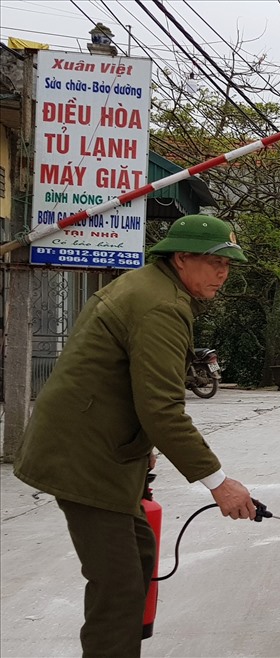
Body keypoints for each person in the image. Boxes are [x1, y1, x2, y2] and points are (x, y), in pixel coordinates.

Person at [13, 214, 258, 657]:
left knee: (141, 553)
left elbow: (126, 381)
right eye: (215, 262)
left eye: (229, 265)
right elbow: (162, 408)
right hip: (83, 456)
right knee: (119, 586)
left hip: (100, 444)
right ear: (182, 258)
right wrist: (219, 483)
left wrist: (140, 443)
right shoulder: (161, 305)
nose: (224, 273)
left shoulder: (151, 286)